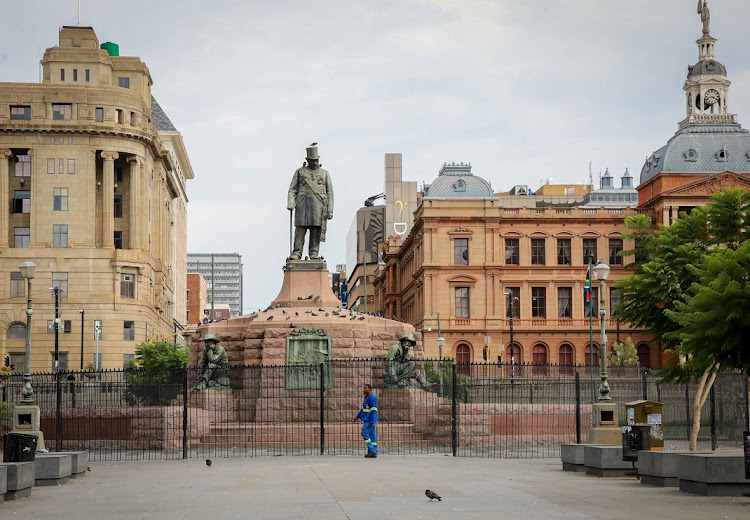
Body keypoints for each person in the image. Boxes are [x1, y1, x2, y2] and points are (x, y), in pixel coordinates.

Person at [286, 143, 334, 260]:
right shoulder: (300, 172)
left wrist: (330, 210)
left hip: (318, 206)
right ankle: (297, 252)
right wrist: (291, 202)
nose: (315, 163)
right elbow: (292, 189)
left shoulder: (325, 173)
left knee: (316, 230)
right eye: (312, 161)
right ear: (308, 160)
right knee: (300, 231)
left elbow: (330, 192)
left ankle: (314, 252)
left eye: (316, 160)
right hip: (302, 206)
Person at [353, 383, 378, 458]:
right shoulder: (366, 397)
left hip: (369, 420)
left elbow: (374, 410)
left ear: (369, 389)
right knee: (372, 436)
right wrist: (357, 417)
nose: (364, 390)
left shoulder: (372, 397)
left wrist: (373, 421)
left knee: (364, 433)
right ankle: (373, 452)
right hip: (368, 419)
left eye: (365, 388)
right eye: (364, 388)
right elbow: (363, 409)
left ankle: (372, 450)